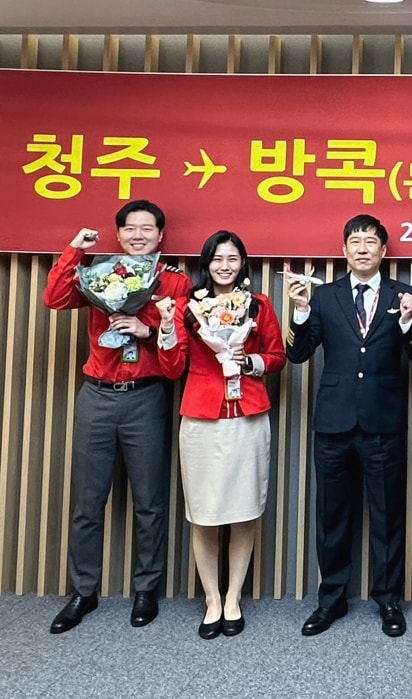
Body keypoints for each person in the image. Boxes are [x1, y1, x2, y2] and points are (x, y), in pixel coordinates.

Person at [43, 199, 191, 633]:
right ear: (120, 234)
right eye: (130, 228)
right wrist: (75, 250)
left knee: (150, 502)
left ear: (160, 236)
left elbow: (178, 350)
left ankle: (147, 589)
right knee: (88, 502)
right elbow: (54, 298)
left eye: (147, 229)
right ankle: (83, 591)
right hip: (97, 396)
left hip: (146, 397)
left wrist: (149, 330)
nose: (138, 235)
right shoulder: (99, 272)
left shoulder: (174, 281)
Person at [285, 214, 412, 638]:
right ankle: (331, 599)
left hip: (383, 422)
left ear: (384, 250)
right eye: (355, 242)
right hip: (334, 423)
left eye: (370, 242)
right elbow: (298, 354)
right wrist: (299, 312)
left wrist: (408, 322)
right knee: (332, 515)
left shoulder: (403, 294)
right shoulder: (324, 296)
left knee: (387, 516)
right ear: (344, 250)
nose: (363, 248)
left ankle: (389, 600)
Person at [155, 231, 285, 639]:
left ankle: (233, 597)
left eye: (232, 258)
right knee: (205, 512)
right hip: (202, 417)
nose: (224, 266)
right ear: (206, 264)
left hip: (247, 415)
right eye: (217, 259)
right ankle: (211, 599)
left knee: (244, 510)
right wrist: (165, 327)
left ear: (242, 263)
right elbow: (172, 367)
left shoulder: (258, 304)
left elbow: (277, 356)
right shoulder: (187, 307)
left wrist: (250, 363)